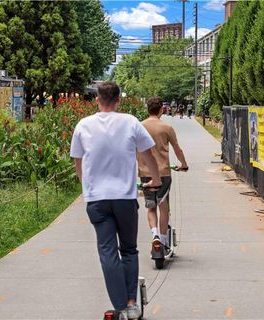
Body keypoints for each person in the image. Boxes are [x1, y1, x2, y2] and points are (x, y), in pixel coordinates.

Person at [70, 82, 162, 319]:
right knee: (129, 250)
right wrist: (155, 178)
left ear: (97, 100)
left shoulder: (83, 125)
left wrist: (86, 186)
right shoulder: (130, 121)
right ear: (118, 100)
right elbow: (148, 153)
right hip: (124, 197)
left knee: (107, 251)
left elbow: (78, 163)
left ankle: (119, 304)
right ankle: (132, 304)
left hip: (97, 200)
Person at [137, 97, 188, 253]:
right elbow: (177, 149)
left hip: (145, 173)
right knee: (163, 207)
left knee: (151, 207)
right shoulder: (166, 128)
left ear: (147, 109)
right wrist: (183, 164)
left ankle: (155, 236)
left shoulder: (139, 127)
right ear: (161, 110)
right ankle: (164, 242)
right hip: (163, 173)